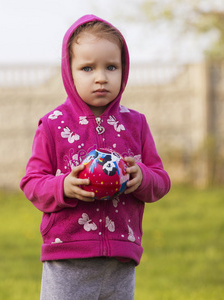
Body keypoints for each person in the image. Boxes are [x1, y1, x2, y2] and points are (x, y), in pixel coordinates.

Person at [20, 14, 171, 300]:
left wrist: (142, 177)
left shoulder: (135, 124)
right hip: (67, 258)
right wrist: (62, 186)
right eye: (87, 68)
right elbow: (31, 183)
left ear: (123, 70)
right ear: (69, 71)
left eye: (111, 67)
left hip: (120, 260)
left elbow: (162, 180)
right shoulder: (53, 124)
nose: (101, 77)